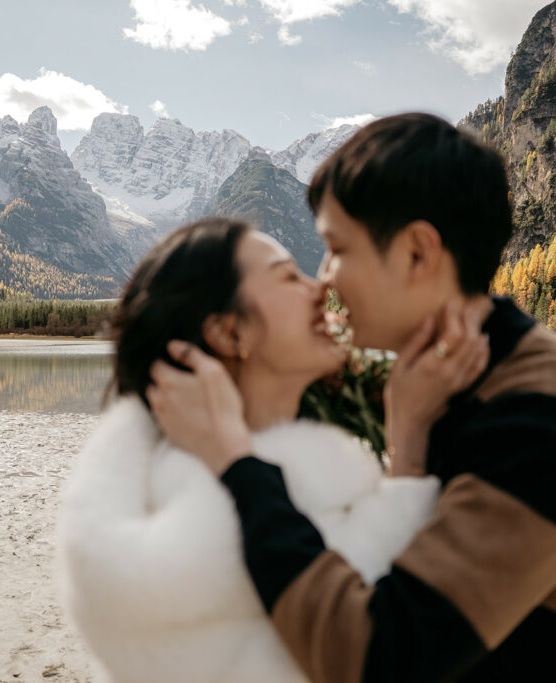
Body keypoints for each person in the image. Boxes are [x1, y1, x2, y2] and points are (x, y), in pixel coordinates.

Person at [147, 114, 556, 682]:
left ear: (417, 254)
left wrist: (237, 464)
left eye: (336, 248)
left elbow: (379, 659)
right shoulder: (445, 381)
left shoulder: (547, 414)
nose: (324, 279)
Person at [58, 217, 489, 682]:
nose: (320, 288)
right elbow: (374, 645)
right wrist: (409, 447)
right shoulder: (207, 510)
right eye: (289, 277)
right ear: (231, 334)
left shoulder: (204, 489)